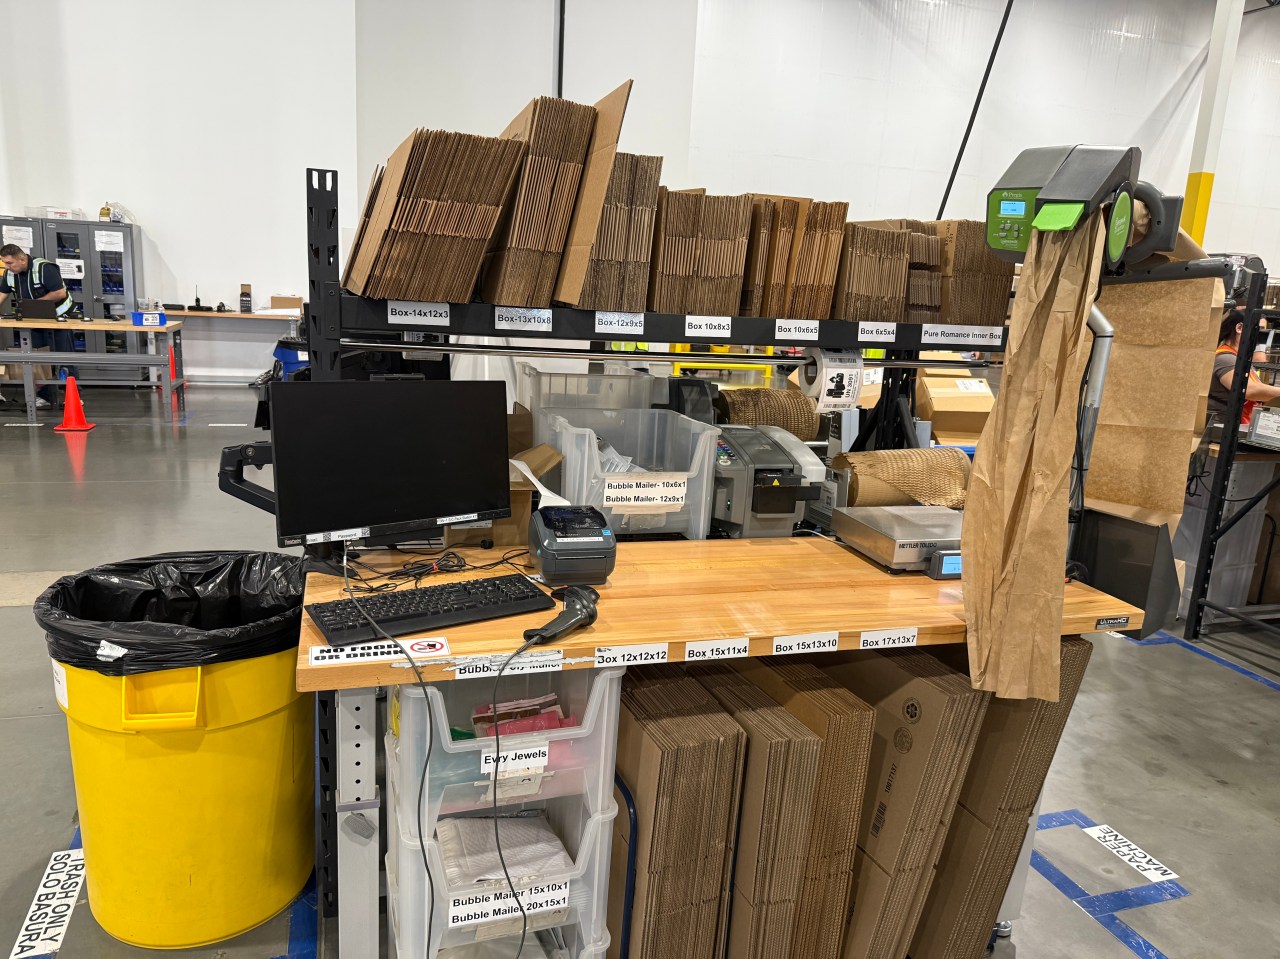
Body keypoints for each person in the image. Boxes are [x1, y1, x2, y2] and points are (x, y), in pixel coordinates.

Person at [0, 243, 76, 408]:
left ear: (21, 259)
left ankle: (71, 395)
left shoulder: (45, 268)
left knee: (64, 356)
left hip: (59, 318)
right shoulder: (9, 274)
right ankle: (46, 395)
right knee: (39, 358)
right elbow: (2, 294)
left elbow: (59, 293)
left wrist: (33, 305)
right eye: (4, 263)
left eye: (9, 263)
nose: (7, 266)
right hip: (33, 320)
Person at [1207, 306, 1280, 426]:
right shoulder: (1225, 358)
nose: (1260, 336)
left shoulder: (1238, 358)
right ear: (1240, 328)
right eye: (1258, 329)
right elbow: (1249, 390)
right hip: (1222, 429)